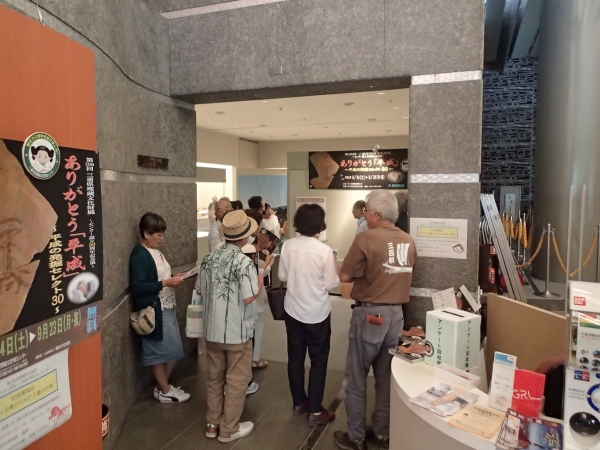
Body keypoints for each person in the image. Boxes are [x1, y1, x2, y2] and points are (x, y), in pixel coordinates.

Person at [333, 190, 417, 450]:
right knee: (385, 377)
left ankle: (356, 437)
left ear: (377, 215)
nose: (364, 214)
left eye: (367, 210)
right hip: (397, 315)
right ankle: (381, 432)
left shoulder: (366, 237)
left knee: (356, 378)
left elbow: (345, 276)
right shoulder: (408, 240)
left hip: (370, 314)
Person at [196, 210, 264, 443]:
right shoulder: (244, 262)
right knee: (236, 381)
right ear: (244, 237)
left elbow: (199, 290)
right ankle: (229, 429)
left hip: (212, 331)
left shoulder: (208, 259)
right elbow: (249, 297)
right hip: (237, 332)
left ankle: (212, 424)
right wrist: (260, 279)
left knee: (214, 378)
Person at [278, 204, 340, 426]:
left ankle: (299, 403)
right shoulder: (324, 251)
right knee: (318, 360)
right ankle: (315, 411)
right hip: (317, 313)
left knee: (295, 357)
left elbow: (282, 276)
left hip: (292, 310)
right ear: (320, 225)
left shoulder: (288, 245)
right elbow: (331, 284)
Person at [129, 212, 189, 403]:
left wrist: (173, 278)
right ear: (146, 234)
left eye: (163, 234)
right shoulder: (140, 254)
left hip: (166, 305)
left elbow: (160, 276)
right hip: (155, 308)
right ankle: (164, 389)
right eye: (158, 235)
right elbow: (137, 286)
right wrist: (165, 283)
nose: (162, 239)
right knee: (158, 352)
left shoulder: (155, 251)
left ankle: (163, 387)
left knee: (173, 351)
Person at [242, 208, 274, 369]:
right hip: (254, 291)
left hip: (241, 293)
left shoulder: (240, 243)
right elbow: (255, 273)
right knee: (257, 324)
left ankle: (246, 359)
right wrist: (268, 265)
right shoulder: (249, 247)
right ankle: (253, 359)